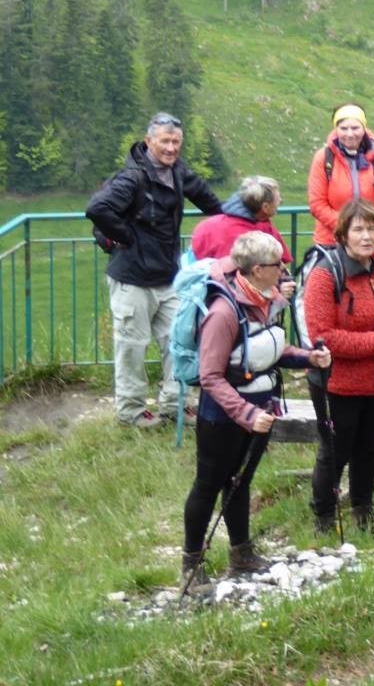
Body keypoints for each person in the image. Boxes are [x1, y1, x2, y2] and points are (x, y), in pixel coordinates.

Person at [181, 232, 331, 591]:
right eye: (278, 264)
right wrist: (247, 414)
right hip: (222, 418)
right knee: (208, 485)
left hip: (260, 409)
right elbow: (210, 377)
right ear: (257, 269)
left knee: (240, 482)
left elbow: (270, 350)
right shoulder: (222, 313)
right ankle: (191, 564)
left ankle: (241, 555)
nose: (284, 269)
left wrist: (307, 357)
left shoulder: (265, 300)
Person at [86, 113, 223, 429]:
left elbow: (210, 202)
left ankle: (176, 405)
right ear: (149, 142)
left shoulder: (178, 172)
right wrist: (127, 236)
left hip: (168, 277)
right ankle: (131, 412)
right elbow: (97, 208)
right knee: (131, 348)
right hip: (131, 279)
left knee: (179, 342)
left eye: (176, 142)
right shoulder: (131, 178)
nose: (171, 148)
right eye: (165, 141)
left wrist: (239, 219)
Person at [302, 200, 374, 532]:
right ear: (343, 234)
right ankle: (323, 517)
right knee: (335, 452)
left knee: (368, 449)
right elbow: (322, 337)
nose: (367, 237)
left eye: (372, 229)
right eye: (359, 230)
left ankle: (363, 512)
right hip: (335, 383)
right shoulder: (325, 274)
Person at [191, 175, 295, 297]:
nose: (280, 202)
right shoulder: (250, 236)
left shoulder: (206, 226)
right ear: (265, 207)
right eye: (278, 200)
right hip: (231, 303)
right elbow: (237, 285)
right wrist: (277, 293)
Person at [308, 103, 374, 248]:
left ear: (364, 128)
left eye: (355, 128)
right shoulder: (323, 158)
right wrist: (347, 227)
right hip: (332, 241)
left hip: (371, 241)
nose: (349, 134)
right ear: (336, 129)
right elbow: (317, 203)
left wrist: (363, 228)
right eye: (343, 128)